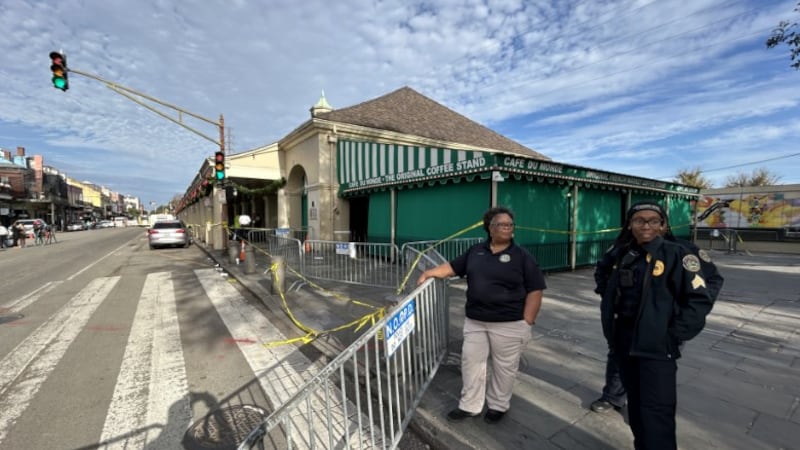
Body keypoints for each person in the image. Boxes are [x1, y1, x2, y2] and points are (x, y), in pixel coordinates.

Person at [598, 201, 716, 449]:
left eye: (653, 220)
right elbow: (606, 277)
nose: (646, 226)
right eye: (639, 220)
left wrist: (674, 334)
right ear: (630, 225)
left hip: (658, 345)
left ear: (663, 225)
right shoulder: (624, 253)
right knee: (638, 409)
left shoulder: (678, 253)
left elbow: (699, 298)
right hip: (624, 340)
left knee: (657, 411)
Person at [417, 206, 546, 424]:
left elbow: (536, 289)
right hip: (476, 321)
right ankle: (470, 406)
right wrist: (429, 272)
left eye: (510, 224)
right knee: (471, 362)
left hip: (509, 323)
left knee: (504, 368)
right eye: (501, 224)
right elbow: (452, 267)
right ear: (490, 228)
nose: (507, 228)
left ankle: (498, 405)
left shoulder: (522, 256)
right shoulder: (475, 251)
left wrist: (528, 320)